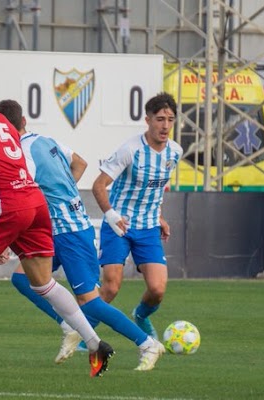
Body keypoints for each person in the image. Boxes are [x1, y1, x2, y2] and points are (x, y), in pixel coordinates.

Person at [0, 61, 113, 378]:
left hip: (10, 204)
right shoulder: (2, 121)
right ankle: (95, 343)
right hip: (35, 202)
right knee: (43, 283)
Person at [0, 99, 165, 371]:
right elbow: (81, 163)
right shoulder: (47, 141)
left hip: (71, 234)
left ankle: (146, 343)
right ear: (24, 121)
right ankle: (69, 325)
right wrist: (62, 194)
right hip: (55, 231)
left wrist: (0, 237)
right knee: (22, 278)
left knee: (90, 302)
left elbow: (15, 200)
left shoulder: (21, 156)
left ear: (0, 131)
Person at [92, 92, 182, 339]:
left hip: (149, 227)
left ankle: (141, 316)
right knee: (110, 287)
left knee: (157, 289)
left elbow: (154, 188)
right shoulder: (130, 150)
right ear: (148, 120)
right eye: (160, 119)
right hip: (120, 226)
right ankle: (83, 333)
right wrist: (111, 215)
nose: (165, 126)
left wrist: (159, 216)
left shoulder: (175, 151)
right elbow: (98, 185)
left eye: (170, 119)